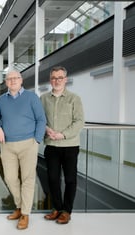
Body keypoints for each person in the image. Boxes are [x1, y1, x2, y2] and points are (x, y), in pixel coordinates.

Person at [0, 69, 46, 230]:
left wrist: (36, 140)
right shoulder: (1, 100)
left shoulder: (32, 97)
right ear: (6, 82)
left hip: (28, 144)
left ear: (21, 80)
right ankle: (19, 205)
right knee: (10, 178)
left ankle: (25, 213)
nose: (12, 81)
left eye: (15, 78)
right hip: (7, 145)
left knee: (28, 179)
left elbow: (41, 119)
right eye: (9, 79)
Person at [40, 66, 84, 224]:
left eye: (59, 78)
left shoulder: (74, 98)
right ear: (50, 80)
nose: (56, 81)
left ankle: (67, 211)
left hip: (70, 145)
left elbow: (79, 121)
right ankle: (57, 208)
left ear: (65, 79)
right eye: (53, 78)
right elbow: (40, 119)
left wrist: (63, 134)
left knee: (70, 179)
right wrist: (46, 129)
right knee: (52, 178)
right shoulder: (43, 98)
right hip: (51, 145)